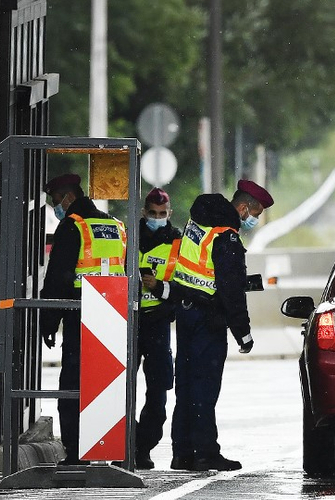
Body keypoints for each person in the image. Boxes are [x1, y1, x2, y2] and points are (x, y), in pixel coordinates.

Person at [169, 179, 273, 471]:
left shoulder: (198, 222)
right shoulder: (226, 237)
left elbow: (195, 268)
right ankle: (205, 452)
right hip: (208, 319)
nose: (254, 220)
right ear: (243, 208)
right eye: (256, 213)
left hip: (186, 312)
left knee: (186, 385)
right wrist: (243, 333)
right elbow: (230, 290)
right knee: (205, 388)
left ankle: (182, 452)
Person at [39, 173, 127, 466]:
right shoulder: (115, 226)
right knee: (106, 382)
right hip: (112, 316)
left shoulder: (72, 226)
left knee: (73, 384)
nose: (56, 207)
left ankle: (76, 452)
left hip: (81, 314)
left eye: (56, 201)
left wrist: (48, 323)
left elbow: (58, 279)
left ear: (68, 197)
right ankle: (108, 448)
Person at [132, 187, 182, 469]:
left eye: (162, 214)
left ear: (169, 214)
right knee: (120, 386)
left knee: (159, 386)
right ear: (143, 212)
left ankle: (144, 445)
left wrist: (158, 287)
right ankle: (124, 440)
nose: (157, 218)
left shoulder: (177, 242)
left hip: (159, 322)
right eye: (152, 213)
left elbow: (186, 287)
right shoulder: (131, 237)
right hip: (128, 321)